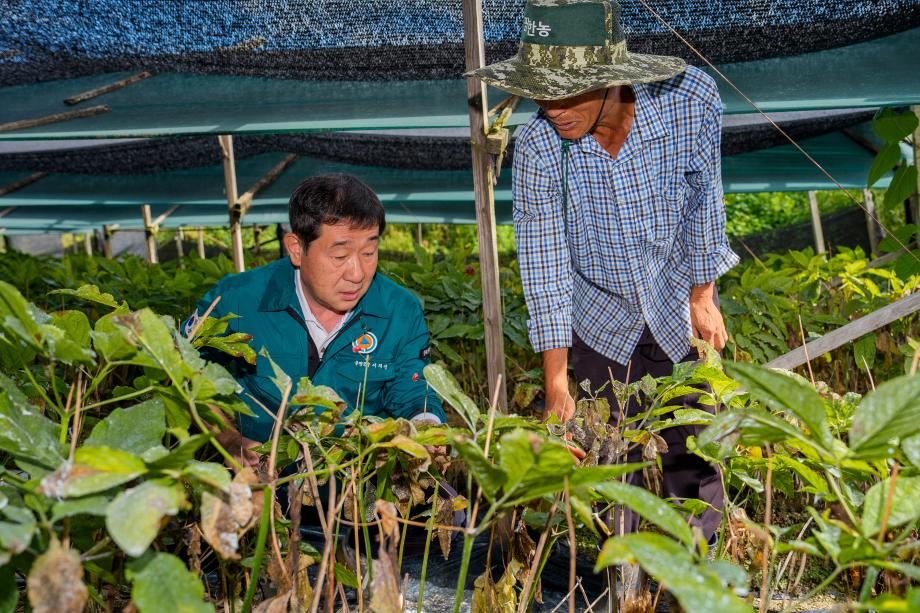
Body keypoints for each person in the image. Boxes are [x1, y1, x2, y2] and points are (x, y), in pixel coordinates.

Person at [468, 0, 739, 539]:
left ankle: (699, 580)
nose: (552, 108)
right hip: (597, 321)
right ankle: (626, 583)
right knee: (613, 472)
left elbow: (704, 198)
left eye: (566, 92)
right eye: (540, 93)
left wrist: (702, 294)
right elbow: (545, 266)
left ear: (612, 81)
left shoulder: (690, 101)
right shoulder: (542, 147)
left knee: (695, 459)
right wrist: (556, 383)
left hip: (672, 301)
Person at [185, 173, 446, 467]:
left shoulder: (400, 310)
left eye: (369, 253)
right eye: (339, 256)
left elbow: (412, 391)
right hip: (264, 483)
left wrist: (428, 429)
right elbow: (185, 372)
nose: (357, 274)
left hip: (356, 486)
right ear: (297, 249)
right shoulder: (235, 301)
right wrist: (228, 440)